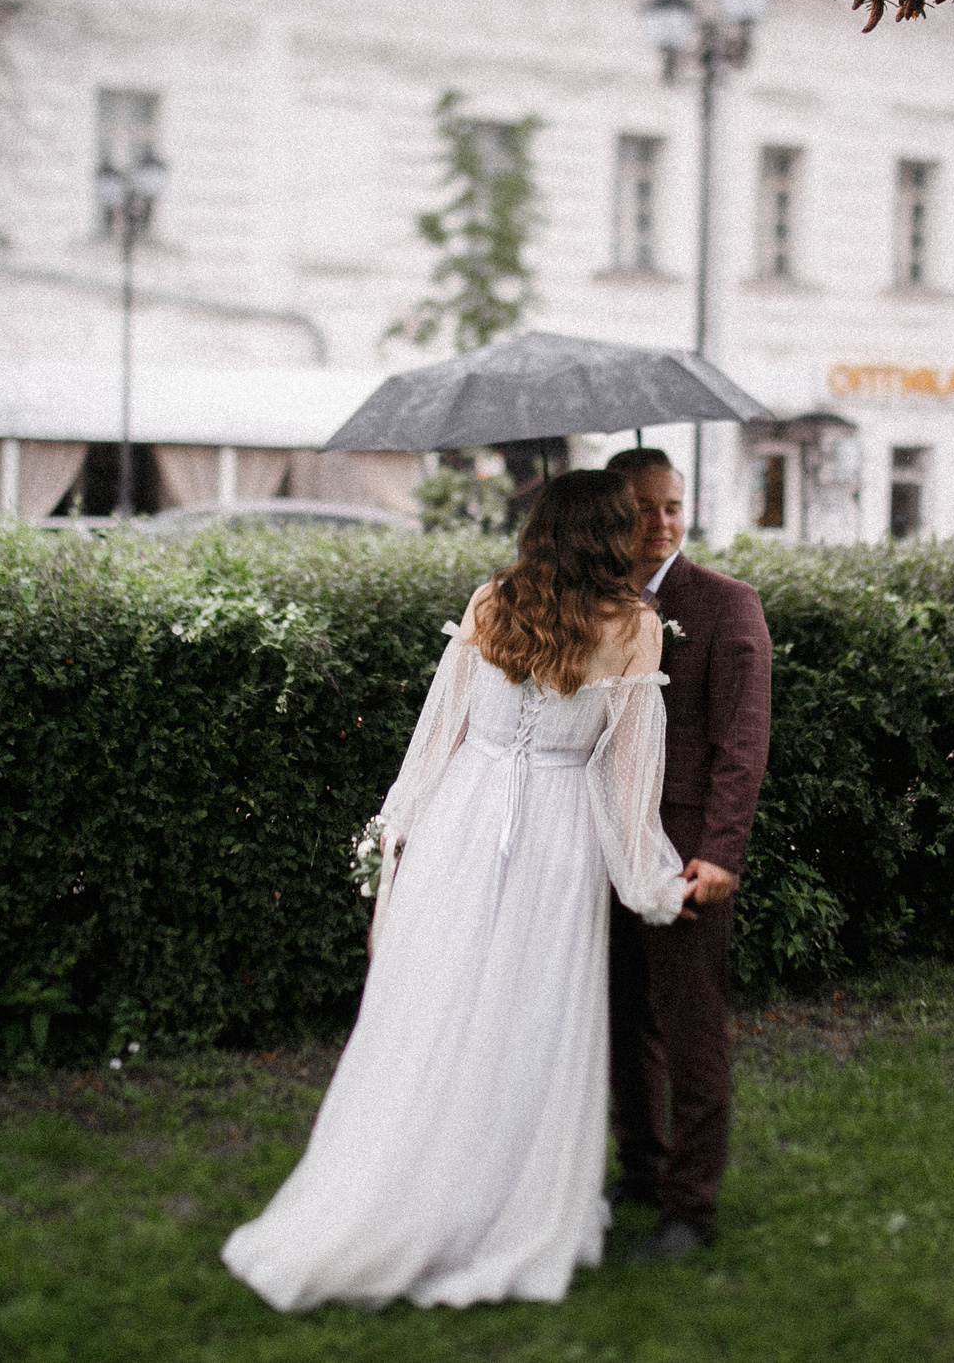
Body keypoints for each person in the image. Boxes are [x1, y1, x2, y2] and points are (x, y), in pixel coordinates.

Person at [221, 469, 694, 1310]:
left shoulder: (492, 602)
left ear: (541, 531)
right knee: (525, 1022)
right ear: (611, 535)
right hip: (555, 838)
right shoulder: (636, 627)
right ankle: (490, 1209)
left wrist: (400, 842)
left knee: (437, 1008)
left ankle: (408, 1189)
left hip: (461, 824)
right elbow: (628, 786)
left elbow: (437, 737)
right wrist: (655, 880)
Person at [601, 447, 772, 1263]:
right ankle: (642, 1168)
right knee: (621, 1017)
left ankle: (691, 1207)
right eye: (642, 507)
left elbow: (742, 742)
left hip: (683, 852)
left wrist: (721, 851)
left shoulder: (726, 605)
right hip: (598, 839)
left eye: (671, 505)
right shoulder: (592, 605)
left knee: (690, 1027)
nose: (661, 521)